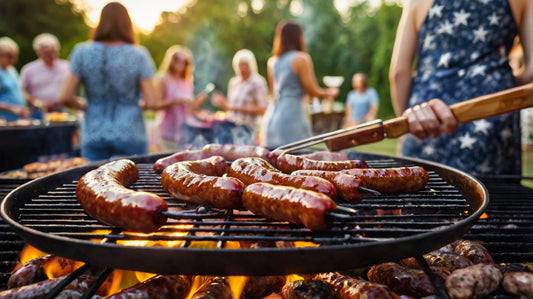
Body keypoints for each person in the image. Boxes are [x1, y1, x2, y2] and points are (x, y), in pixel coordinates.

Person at [389, 0, 533, 176]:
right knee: (495, 198)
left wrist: (409, 122)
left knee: (420, 194)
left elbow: (399, 72)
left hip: (429, 120)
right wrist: (504, 87)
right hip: (493, 121)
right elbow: (531, 71)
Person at [59, 2, 159, 161]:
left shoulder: (82, 52)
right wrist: (135, 104)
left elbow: (65, 97)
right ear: (127, 24)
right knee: (132, 181)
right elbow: (153, 102)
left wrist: (87, 105)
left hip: (94, 133)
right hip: (131, 133)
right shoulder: (139, 55)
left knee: (94, 182)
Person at [262, 21, 339, 148]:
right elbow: (313, 91)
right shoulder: (301, 58)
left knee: (274, 160)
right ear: (298, 37)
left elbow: (273, 93)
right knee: (297, 158)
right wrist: (330, 93)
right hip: (292, 116)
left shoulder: (273, 61)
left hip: (272, 117)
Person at [154, 45, 207, 152]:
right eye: (177, 60)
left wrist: (197, 102)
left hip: (185, 132)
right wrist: (176, 101)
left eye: (185, 62)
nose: (181, 64)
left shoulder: (187, 81)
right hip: (167, 131)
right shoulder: (164, 79)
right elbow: (155, 105)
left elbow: (189, 109)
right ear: (171, 60)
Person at [211, 49, 269, 143]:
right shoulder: (234, 82)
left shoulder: (257, 82)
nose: (242, 68)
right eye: (240, 65)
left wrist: (234, 108)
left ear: (251, 65)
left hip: (248, 130)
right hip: (231, 129)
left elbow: (263, 109)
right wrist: (222, 103)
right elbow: (230, 109)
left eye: (246, 64)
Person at [20, 33, 70, 113]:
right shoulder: (29, 69)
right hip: (38, 111)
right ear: (38, 52)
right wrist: (39, 103)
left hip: (62, 110)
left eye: (54, 52)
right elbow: (22, 91)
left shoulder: (67, 66)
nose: (52, 56)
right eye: (48, 53)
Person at [0, 36, 29, 121]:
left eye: (15, 56)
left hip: (16, 121)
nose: (13, 59)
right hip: (3, 122)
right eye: (9, 56)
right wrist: (12, 108)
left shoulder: (12, 70)